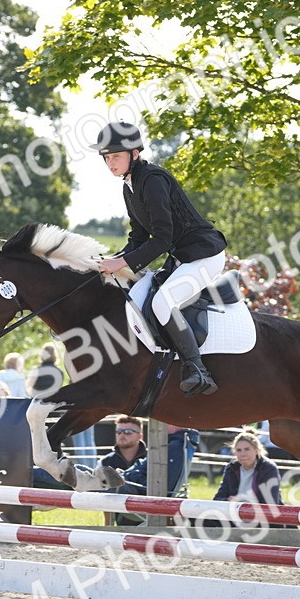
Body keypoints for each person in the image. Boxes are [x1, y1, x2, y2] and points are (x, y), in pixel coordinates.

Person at [92, 121, 227, 396]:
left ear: (135, 153)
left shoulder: (152, 179)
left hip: (205, 254)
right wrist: (111, 260)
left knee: (163, 303)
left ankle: (196, 368)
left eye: (116, 156)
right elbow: (139, 237)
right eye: (106, 158)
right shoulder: (129, 186)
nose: (110, 163)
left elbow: (162, 238)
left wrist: (123, 263)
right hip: (183, 257)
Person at [207, 429, 287, 530]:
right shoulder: (232, 467)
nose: (243, 454)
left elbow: (270, 504)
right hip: (235, 516)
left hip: (262, 520)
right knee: (203, 519)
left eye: (247, 449)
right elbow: (218, 499)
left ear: (256, 450)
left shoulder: (268, 468)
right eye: (239, 450)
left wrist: (241, 502)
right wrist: (228, 500)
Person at [97, 415, 146, 525]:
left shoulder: (151, 459)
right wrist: (108, 527)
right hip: (119, 516)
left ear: (140, 436)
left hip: (146, 511)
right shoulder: (105, 461)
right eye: (119, 431)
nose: (122, 435)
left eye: (128, 432)